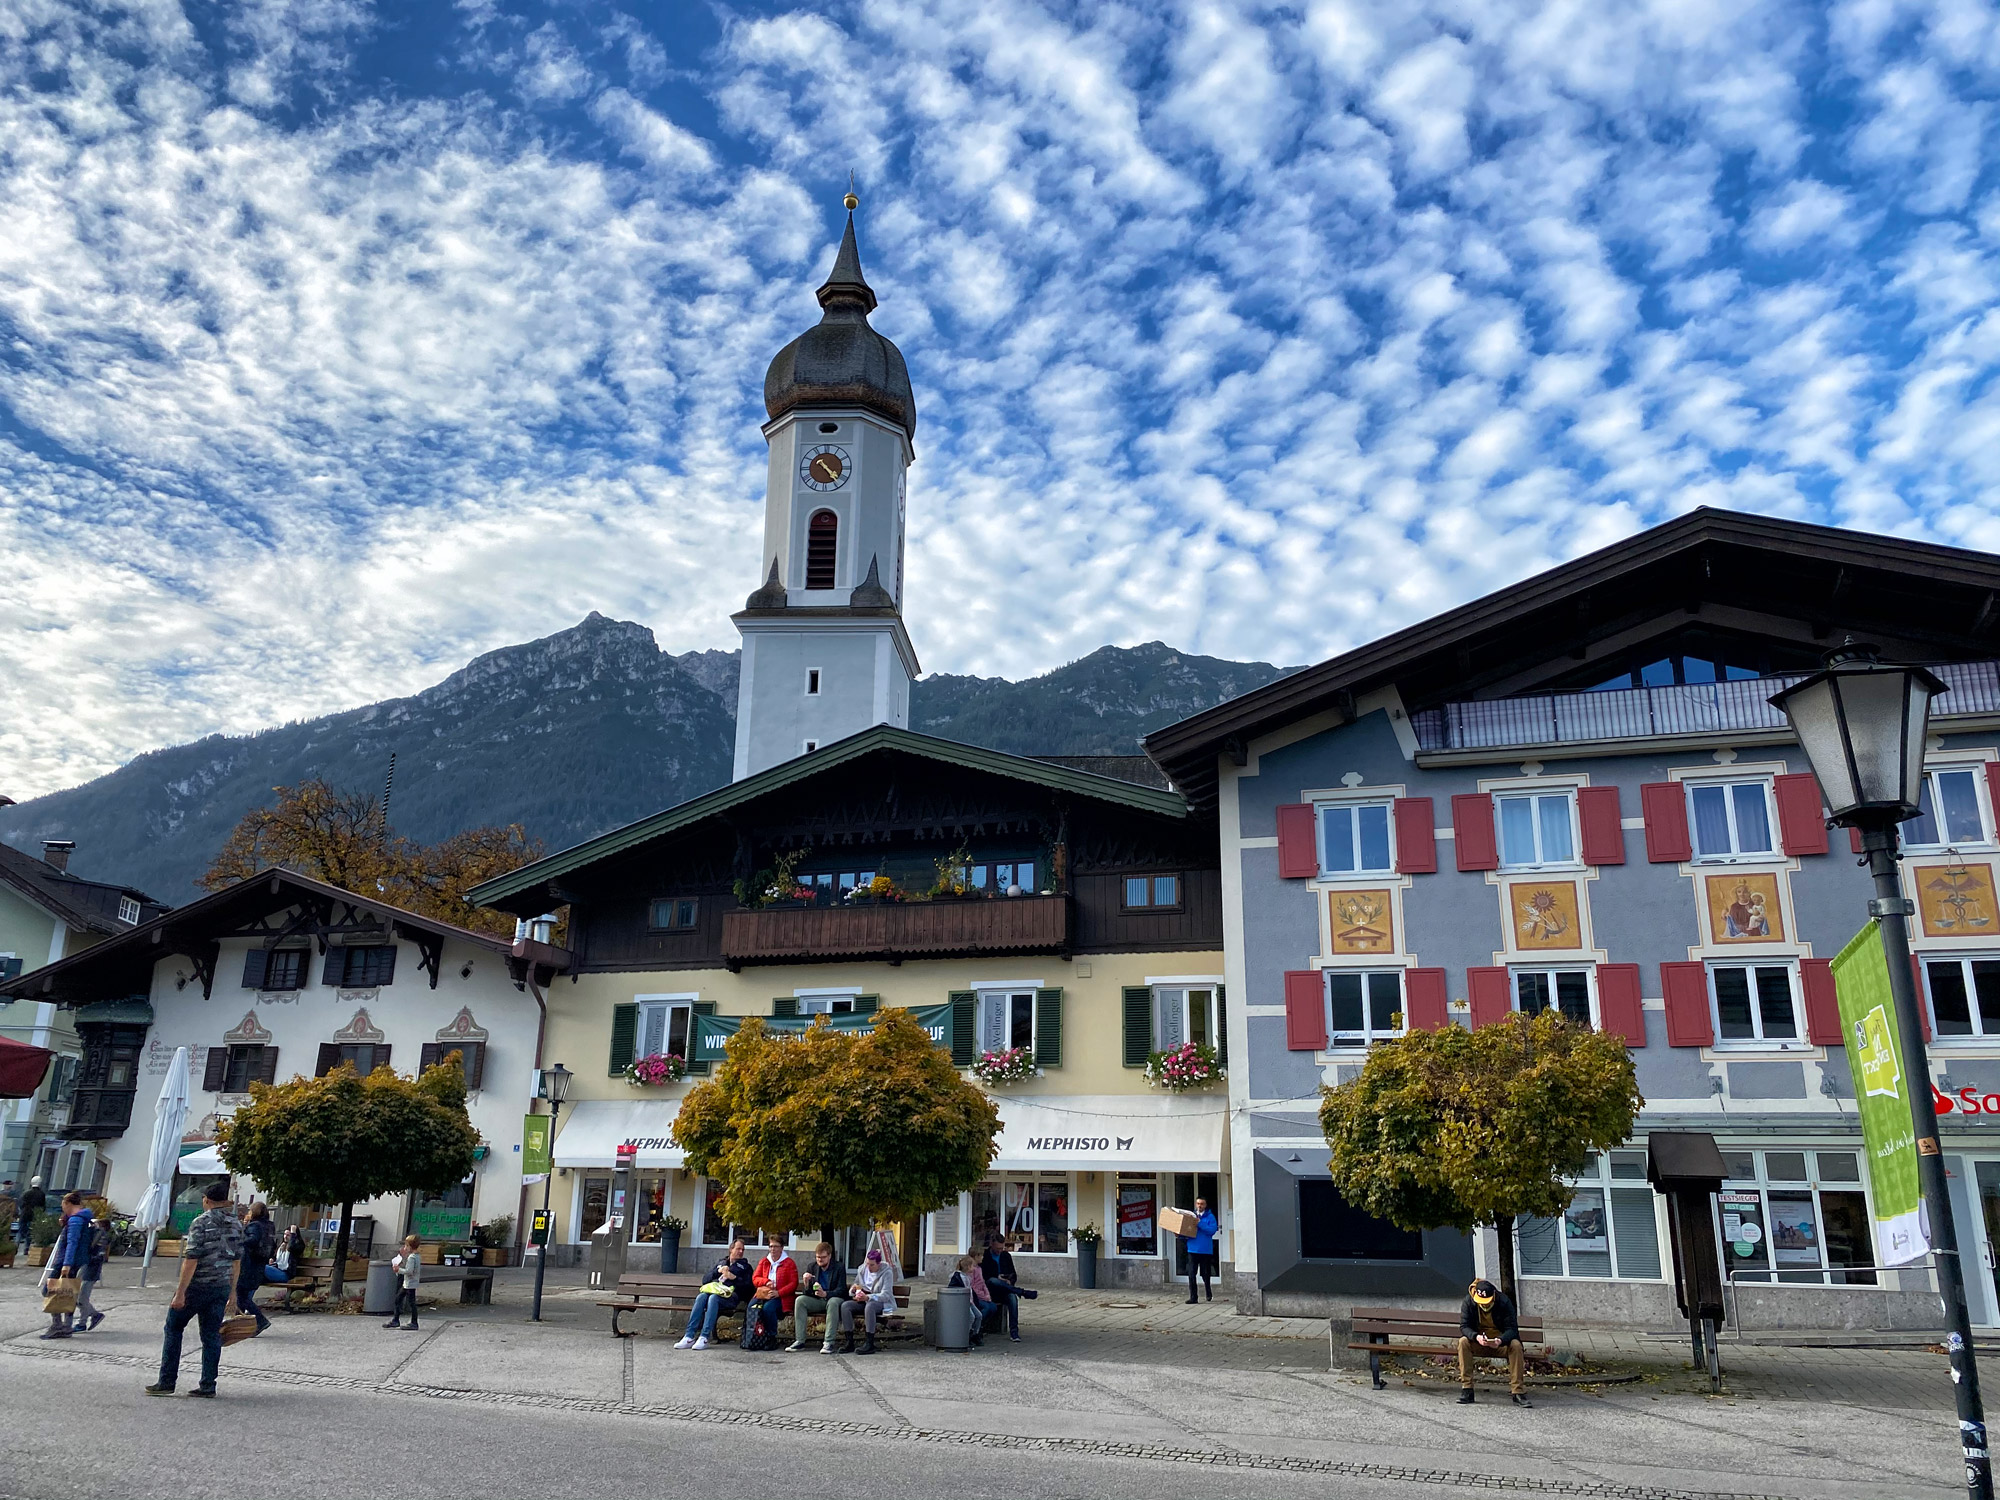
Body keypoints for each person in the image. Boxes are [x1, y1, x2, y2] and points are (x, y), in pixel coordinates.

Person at [146, 1179, 241, 1397]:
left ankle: (167, 1381)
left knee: (173, 1328)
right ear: (226, 1201)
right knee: (211, 1336)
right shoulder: (236, 1224)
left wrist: (180, 1292)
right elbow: (237, 1261)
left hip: (197, 1286)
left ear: (206, 1200)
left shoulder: (201, 1222)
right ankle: (208, 1384)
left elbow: (192, 1259)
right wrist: (233, 1292)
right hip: (221, 1286)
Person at [1458, 1278, 1530, 1407]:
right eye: (1481, 1302)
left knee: (1516, 1346)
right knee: (1463, 1342)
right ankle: (1467, 1389)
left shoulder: (1504, 1302)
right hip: (1479, 1342)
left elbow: (1512, 1329)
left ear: (1494, 1296)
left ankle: (1518, 1392)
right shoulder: (1469, 1301)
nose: (1484, 1305)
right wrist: (1476, 1337)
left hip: (1500, 1343)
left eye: (1487, 1302)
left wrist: (1500, 1340)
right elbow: (1464, 1327)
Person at [676, 1238, 752, 1350]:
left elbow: (749, 1288)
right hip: (715, 1292)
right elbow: (705, 1280)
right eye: (738, 1249)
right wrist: (718, 1271)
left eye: (743, 1250)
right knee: (701, 1297)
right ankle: (689, 1336)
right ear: (731, 1249)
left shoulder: (746, 1267)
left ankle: (704, 1337)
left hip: (731, 1297)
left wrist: (735, 1278)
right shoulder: (721, 1263)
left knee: (713, 1298)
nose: (741, 1252)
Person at [39, 1191, 93, 1340]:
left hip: (66, 1261)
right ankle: (66, 1326)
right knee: (68, 1292)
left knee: (49, 1291)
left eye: (63, 1204)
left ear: (68, 1204)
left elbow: (72, 1243)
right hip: (76, 1261)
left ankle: (58, 1325)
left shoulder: (75, 1220)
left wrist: (66, 1264)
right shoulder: (83, 1217)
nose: (62, 1207)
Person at [788, 1241, 852, 1354]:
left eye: (823, 1257)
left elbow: (841, 1290)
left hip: (833, 1298)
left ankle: (828, 1342)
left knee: (833, 1303)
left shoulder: (839, 1267)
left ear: (829, 1256)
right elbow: (807, 1293)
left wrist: (826, 1294)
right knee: (800, 1300)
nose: (820, 1260)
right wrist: (806, 1283)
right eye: (818, 1257)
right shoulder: (812, 1267)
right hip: (818, 1300)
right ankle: (799, 1340)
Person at [981, 1233, 1036, 1342]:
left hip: (1005, 1289)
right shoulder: (985, 1256)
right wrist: (998, 1277)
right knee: (993, 1280)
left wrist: (1009, 1280)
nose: (999, 1251)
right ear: (992, 1244)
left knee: (1012, 1299)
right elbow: (983, 1276)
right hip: (989, 1290)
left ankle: (1014, 1332)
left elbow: (1014, 1274)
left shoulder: (1006, 1256)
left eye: (1002, 1248)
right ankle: (1021, 1292)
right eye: (997, 1248)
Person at [747, 1234, 797, 1347]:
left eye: (775, 1246)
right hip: (764, 1295)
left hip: (782, 1297)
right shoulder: (764, 1261)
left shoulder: (789, 1263)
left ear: (782, 1248)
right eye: (770, 1246)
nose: (772, 1249)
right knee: (751, 1306)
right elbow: (755, 1279)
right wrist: (766, 1281)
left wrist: (778, 1293)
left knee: (768, 1308)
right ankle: (753, 1336)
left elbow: (793, 1284)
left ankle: (771, 1337)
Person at [235, 1202, 274, 1335]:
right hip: (260, 1265)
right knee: (242, 1295)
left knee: (241, 1294)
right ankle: (240, 1324)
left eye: (250, 1211)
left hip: (249, 1265)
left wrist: (240, 1240)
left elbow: (252, 1240)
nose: (248, 1213)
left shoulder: (254, 1226)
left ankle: (260, 1320)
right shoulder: (269, 1226)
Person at [849, 1246, 896, 1355]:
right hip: (863, 1300)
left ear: (879, 1263)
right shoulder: (862, 1269)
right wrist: (854, 1290)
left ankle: (869, 1342)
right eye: (867, 1264)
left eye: (872, 1265)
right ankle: (849, 1341)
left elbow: (886, 1295)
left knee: (870, 1306)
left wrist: (869, 1297)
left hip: (880, 1302)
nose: (869, 1268)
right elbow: (856, 1284)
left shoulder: (887, 1272)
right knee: (846, 1306)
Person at [948, 1256, 997, 1348]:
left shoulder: (967, 1277)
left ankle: (975, 1334)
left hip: (969, 1301)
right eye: (972, 1266)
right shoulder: (958, 1277)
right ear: (968, 1267)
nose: (974, 1268)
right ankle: (967, 1335)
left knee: (979, 1315)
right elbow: (955, 1289)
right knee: (971, 1317)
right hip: (963, 1302)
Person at [1183, 1197, 1220, 1304]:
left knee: (1205, 1273)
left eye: (1202, 1204)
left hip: (1205, 1250)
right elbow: (1186, 1230)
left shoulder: (1210, 1217)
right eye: (1198, 1203)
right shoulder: (1191, 1216)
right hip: (1192, 1249)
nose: (1199, 1206)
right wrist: (1179, 1234)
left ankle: (1208, 1291)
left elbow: (1212, 1230)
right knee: (1191, 1274)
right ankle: (1193, 1297)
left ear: (1205, 1205)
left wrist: (1200, 1223)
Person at [384, 1234, 423, 1330]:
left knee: (410, 1302)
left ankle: (413, 1322)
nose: (405, 1248)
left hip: (409, 1283)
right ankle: (396, 1320)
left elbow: (409, 1271)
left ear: (410, 1246)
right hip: (409, 1283)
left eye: (406, 1246)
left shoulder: (412, 1258)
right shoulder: (416, 1256)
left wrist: (398, 1269)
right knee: (399, 1299)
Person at [17, 1174, 46, 1248]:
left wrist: (21, 1210)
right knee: (30, 1232)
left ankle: (16, 1246)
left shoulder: (26, 1193)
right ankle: (26, 1248)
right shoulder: (41, 1194)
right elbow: (43, 1205)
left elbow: (20, 1203)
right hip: (34, 1214)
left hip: (24, 1214)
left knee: (20, 1231)